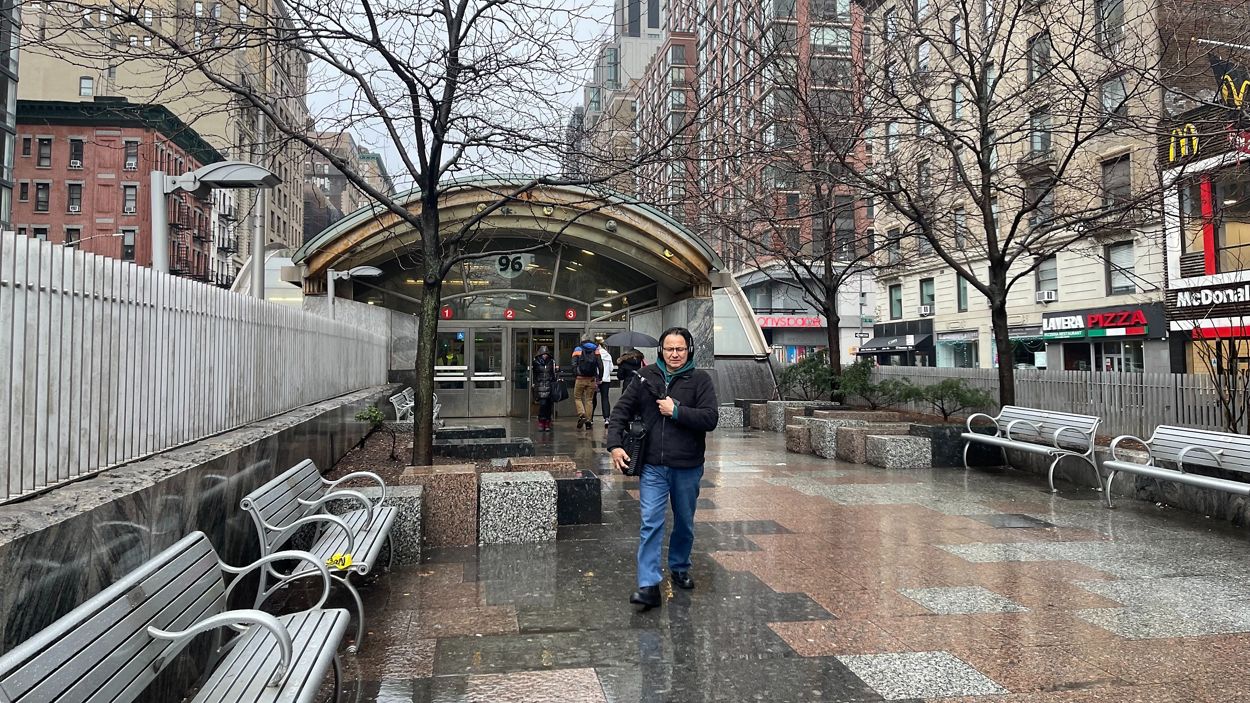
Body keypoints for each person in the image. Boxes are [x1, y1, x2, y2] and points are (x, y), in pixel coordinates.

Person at [606, 327, 718, 610]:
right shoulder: (645, 377)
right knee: (650, 522)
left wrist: (676, 411)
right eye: (669, 349)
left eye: (680, 349)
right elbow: (620, 411)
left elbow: (710, 418)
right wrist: (615, 445)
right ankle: (648, 585)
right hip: (653, 465)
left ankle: (679, 566)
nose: (675, 354)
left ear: (689, 350)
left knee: (684, 522)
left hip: (687, 465)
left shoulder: (700, 380)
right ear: (661, 351)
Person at [571, 339, 603, 431]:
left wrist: (576, 374)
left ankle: (582, 415)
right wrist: (600, 377)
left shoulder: (578, 349)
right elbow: (600, 365)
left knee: (577, 397)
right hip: (591, 379)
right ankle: (588, 421)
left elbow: (573, 364)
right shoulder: (596, 350)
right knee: (589, 400)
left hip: (580, 378)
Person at [530, 346, 558, 432]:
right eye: (543, 354)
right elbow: (534, 374)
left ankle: (547, 422)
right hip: (540, 386)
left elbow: (553, 374)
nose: (545, 355)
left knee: (548, 406)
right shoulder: (536, 362)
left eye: (546, 354)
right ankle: (542, 422)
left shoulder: (551, 362)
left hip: (549, 386)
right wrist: (534, 384)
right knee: (543, 405)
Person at [593, 337, 616, 427]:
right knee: (605, 398)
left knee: (593, 398)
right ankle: (606, 418)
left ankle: (590, 418)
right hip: (606, 379)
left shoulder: (594, 354)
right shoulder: (608, 355)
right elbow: (611, 368)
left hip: (596, 379)